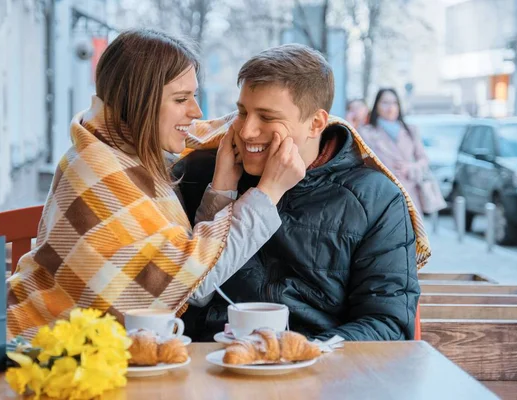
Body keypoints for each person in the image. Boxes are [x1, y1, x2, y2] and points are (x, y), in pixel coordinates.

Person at [6, 29, 306, 340]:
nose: (196, 112)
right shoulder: (97, 169)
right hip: (34, 345)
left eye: (194, 95)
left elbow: (187, 281)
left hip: (86, 350)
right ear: (139, 102)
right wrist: (268, 193)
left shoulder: (128, 155)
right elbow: (190, 280)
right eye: (181, 99)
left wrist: (222, 186)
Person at [177, 45, 429, 342]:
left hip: (323, 373)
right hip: (212, 365)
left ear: (317, 123)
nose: (246, 132)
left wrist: (299, 355)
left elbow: (387, 324)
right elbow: (182, 293)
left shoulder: (376, 198)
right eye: (243, 112)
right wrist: (220, 191)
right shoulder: (201, 173)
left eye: (267, 117)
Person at [359, 88, 444, 214]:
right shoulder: (366, 132)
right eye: (385, 102)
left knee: (412, 232)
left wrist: (410, 167)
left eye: (394, 103)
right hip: (381, 196)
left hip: (410, 196)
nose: (390, 107)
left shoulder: (410, 130)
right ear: (376, 105)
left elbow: (424, 160)